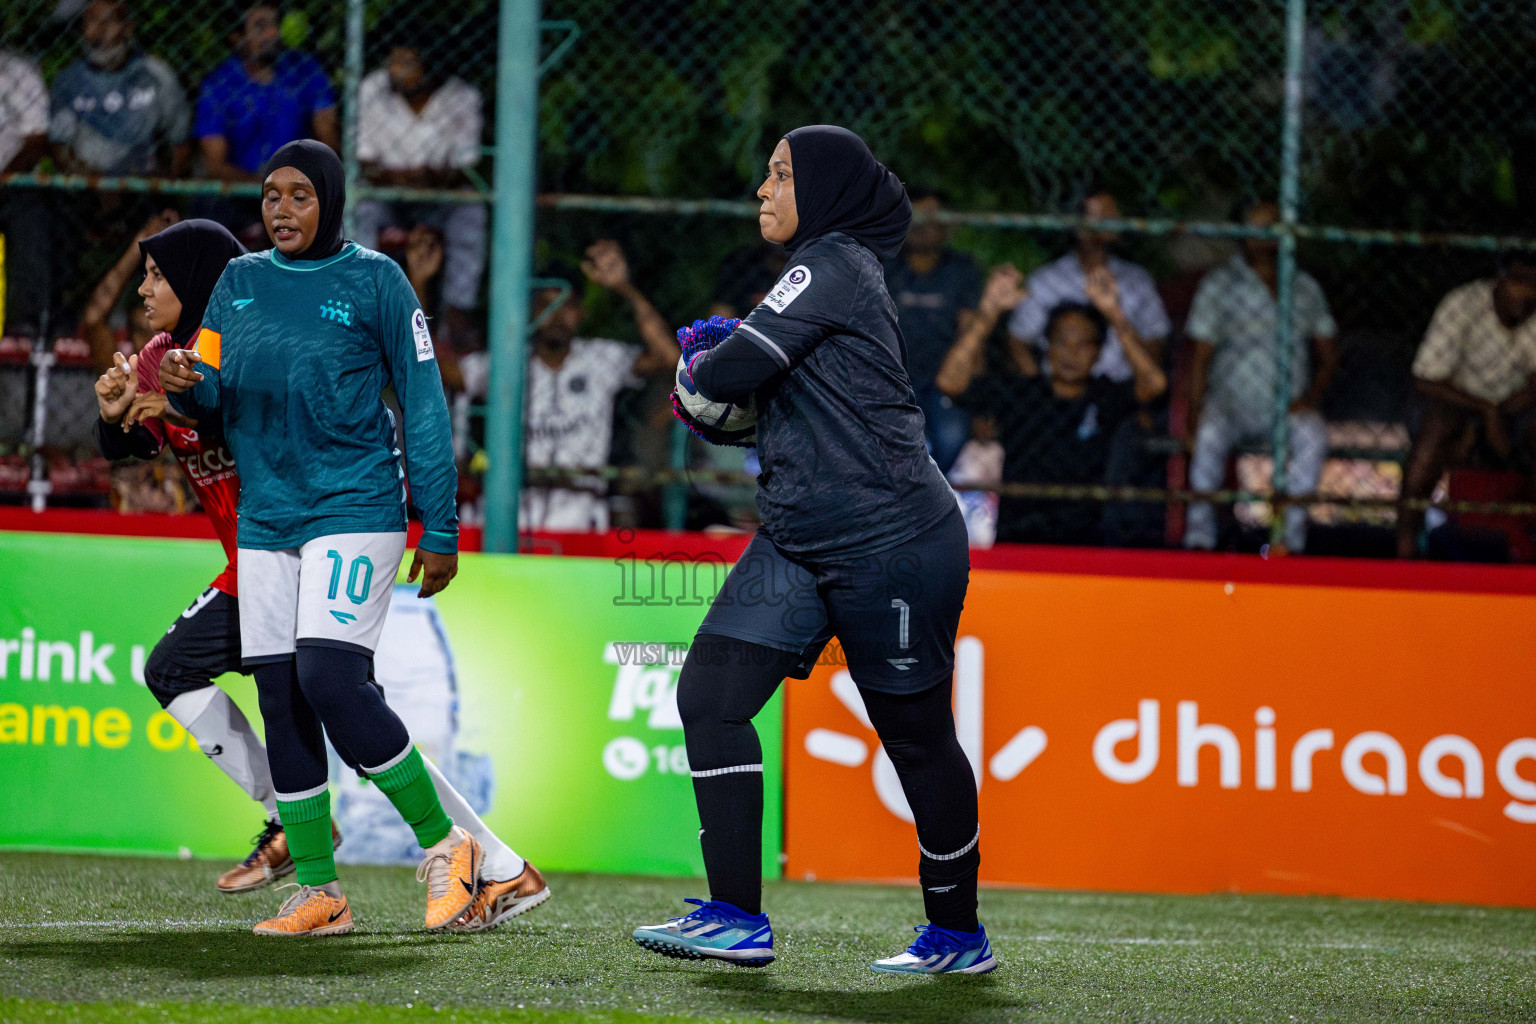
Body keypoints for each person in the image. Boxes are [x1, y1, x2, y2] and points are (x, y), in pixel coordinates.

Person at [97, 219, 544, 931]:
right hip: (256, 557)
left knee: (324, 698)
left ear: (203, 284)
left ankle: (362, 838)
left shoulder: (259, 335)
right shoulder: (161, 355)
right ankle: (480, 863)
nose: (146, 288)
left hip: (305, 544)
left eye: (157, 275)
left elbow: (244, 419)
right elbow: (134, 440)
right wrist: (117, 414)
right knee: (330, 706)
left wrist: (182, 402)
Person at [637, 126, 995, 976]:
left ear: (826, 193)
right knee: (712, 696)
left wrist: (703, 376)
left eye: (782, 174)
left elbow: (726, 376)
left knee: (915, 740)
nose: (763, 189)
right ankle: (735, 918)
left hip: (895, 542)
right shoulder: (823, 271)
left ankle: (957, 935)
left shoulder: (830, 262)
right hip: (799, 538)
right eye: (764, 173)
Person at [159, 140, 487, 937]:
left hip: (356, 506)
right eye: (271, 196)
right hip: (267, 519)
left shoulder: (376, 280)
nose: (282, 210)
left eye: (300, 196)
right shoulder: (237, 285)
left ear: (330, 202)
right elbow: (210, 395)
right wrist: (185, 387)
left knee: (331, 680)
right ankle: (320, 892)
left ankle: (453, 849)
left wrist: (439, 525)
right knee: (281, 695)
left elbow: (424, 402)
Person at [940, 299, 1167, 545]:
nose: (1071, 353)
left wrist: (1115, 315)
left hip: (1089, 537)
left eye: (1083, 344)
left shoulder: (1106, 397)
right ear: (1047, 347)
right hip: (1019, 534)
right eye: (1061, 341)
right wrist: (988, 313)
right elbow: (949, 382)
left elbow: (1155, 385)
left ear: (1099, 351)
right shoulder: (1021, 393)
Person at [1183, 200, 1339, 554]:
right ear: (1242, 235)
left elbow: (1329, 356)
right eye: (1258, 228)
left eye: (1274, 227)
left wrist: (1310, 399)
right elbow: (1200, 356)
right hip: (1230, 402)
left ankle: (1287, 541)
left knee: (1313, 436)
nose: (1267, 237)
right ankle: (1199, 541)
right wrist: (1194, 411)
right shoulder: (1219, 284)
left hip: (1288, 407)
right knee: (1207, 435)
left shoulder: (1304, 287)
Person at [518, 242, 681, 531]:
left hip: (582, 519)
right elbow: (437, 369)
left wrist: (624, 289)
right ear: (531, 311)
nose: (556, 315)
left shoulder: (599, 358)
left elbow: (668, 357)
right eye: (546, 304)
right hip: (512, 514)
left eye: (566, 305)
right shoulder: (509, 364)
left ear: (580, 312)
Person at [1396, 253, 1536, 558]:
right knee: (1433, 435)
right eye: (1519, 282)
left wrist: (1500, 411)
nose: (1527, 294)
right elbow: (1426, 378)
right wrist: (1486, 410)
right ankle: (1405, 545)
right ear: (1500, 280)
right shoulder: (1463, 303)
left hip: (1513, 406)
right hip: (1453, 400)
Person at [353, 41, 485, 338]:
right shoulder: (372, 89)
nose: (395, 71)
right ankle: (365, 305)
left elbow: (463, 167)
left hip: (439, 196)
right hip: (385, 194)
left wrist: (431, 181)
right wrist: (404, 180)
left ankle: (457, 309)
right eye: (392, 61)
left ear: (430, 70)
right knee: (359, 208)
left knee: (470, 208)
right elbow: (365, 163)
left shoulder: (462, 97)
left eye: (406, 63)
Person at [1006, 189, 1171, 382]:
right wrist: (1041, 393)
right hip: (1062, 394)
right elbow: (1019, 341)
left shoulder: (1136, 279)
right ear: (1079, 226)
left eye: (1115, 213)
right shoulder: (1048, 280)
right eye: (1104, 215)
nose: (1116, 219)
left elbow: (1155, 342)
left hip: (1120, 394)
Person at [883, 187, 984, 472]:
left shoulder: (963, 271)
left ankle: (926, 500)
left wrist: (977, 398)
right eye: (914, 217)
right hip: (888, 379)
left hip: (944, 384)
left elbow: (972, 336)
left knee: (950, 436)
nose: (921, 226)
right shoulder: (883, 266)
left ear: (947, 225)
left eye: (931, 217)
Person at [194, 2, 337, 182]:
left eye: (275, 24)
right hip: (239, 189)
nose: (273, 33)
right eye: (260, 27)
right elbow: (215, 165)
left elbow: (328, 139)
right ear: (236, 37)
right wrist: (266, 188)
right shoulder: (217, 85)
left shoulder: (305, 69)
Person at [49, 0, 190, 176]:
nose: (99, 32)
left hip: (145, 187)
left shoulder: (155, 74)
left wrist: (166, 184)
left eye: (109, 21)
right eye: (91, 22)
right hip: (87, 191)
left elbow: (181, 142)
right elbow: (60, 148)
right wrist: (99, 184)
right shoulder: (69, 80)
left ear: (127, 27)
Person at [1, 48, 51, 337]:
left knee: (29, 212)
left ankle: (28, 322)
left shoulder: (17, 72)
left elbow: (37, 140)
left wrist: (5, 176)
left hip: (12, 182)